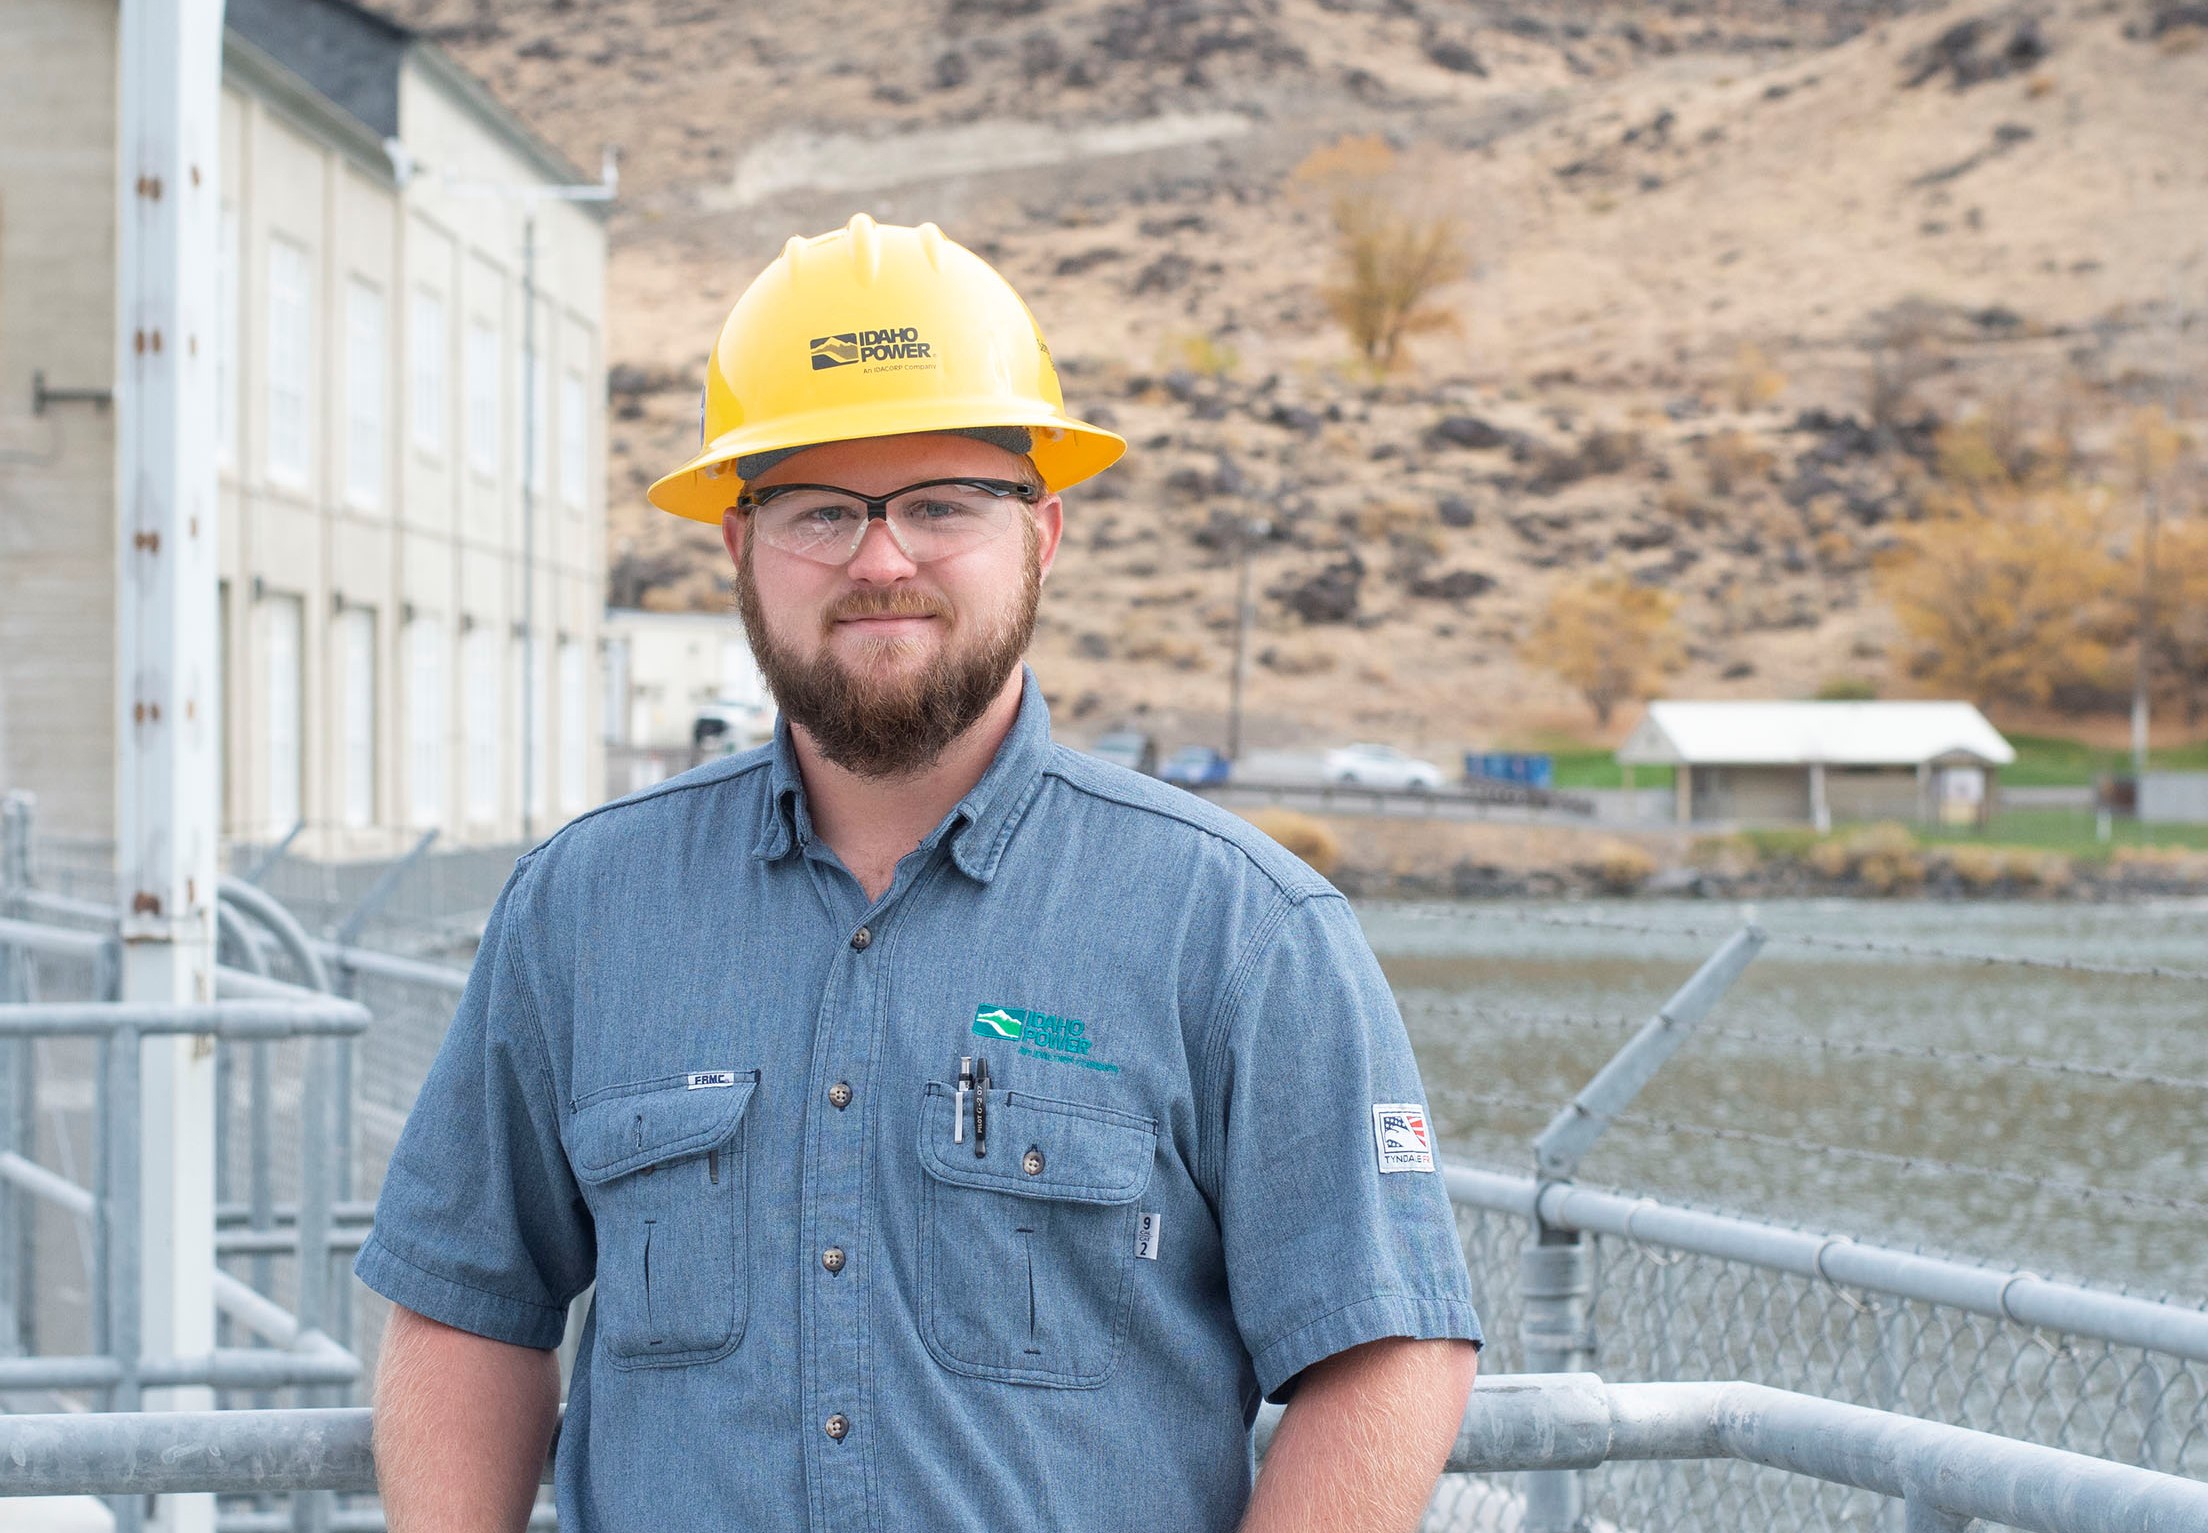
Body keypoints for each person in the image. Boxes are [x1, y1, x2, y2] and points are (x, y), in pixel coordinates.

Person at [356, 214, 1481, 1532]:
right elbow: (462, 1309)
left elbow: (1387, 1350)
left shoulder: (1235, 927)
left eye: (943, 505)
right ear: (739, 546)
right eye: (822, 510)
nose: (879, 558)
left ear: (1043, 534)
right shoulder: (586, 912)